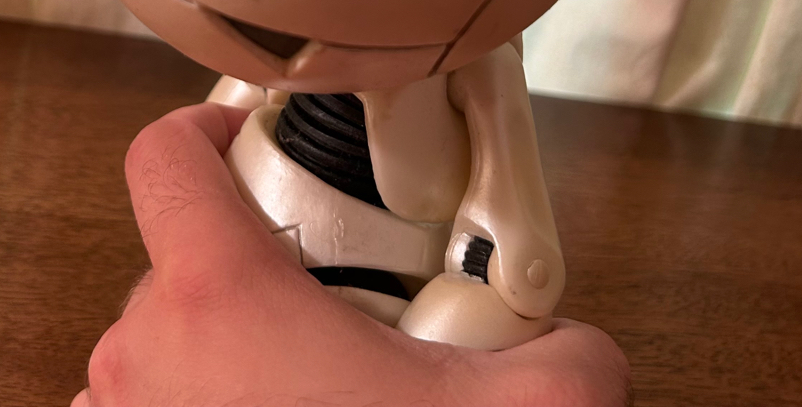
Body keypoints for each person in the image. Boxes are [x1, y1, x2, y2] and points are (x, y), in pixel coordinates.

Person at [71, 102, 633, 407]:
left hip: (411, 250)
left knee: (474, 320)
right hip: (276, 211)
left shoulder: (480, 65)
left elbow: (502, 135)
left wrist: (509, 251)